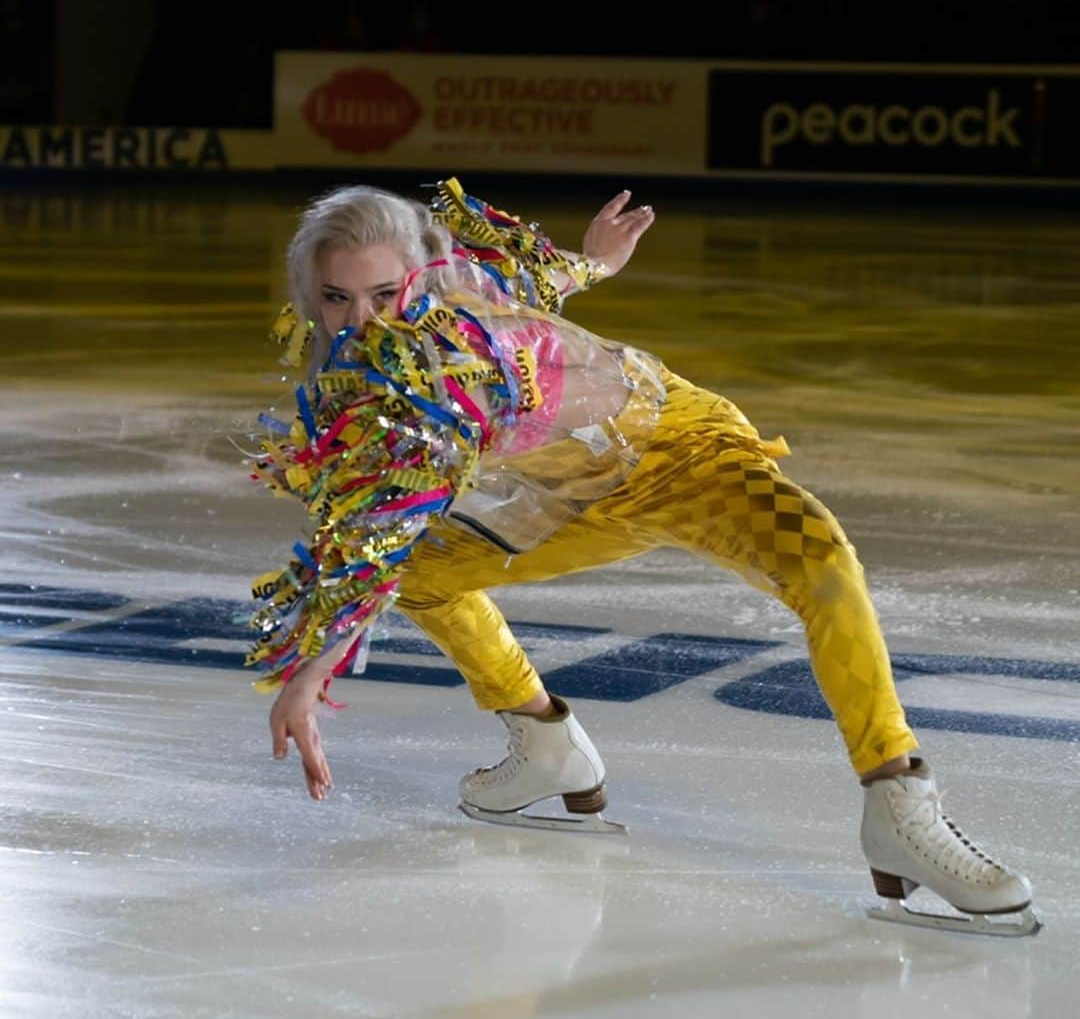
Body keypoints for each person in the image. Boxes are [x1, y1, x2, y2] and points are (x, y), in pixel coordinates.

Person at [246, 178, 1038, 938]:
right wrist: (309, 671)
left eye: (385, 296)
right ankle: (546, 742)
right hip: (572, 504)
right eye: (338, 299)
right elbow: (376, 536)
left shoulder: (462, 287)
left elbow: (530, 274)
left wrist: (594, 261)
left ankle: (899, 801)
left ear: (423, 271)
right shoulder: (366, 393)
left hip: (681, 447)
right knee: (423, 573)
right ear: (309, 296)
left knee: (822, 559)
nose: (364, 319)